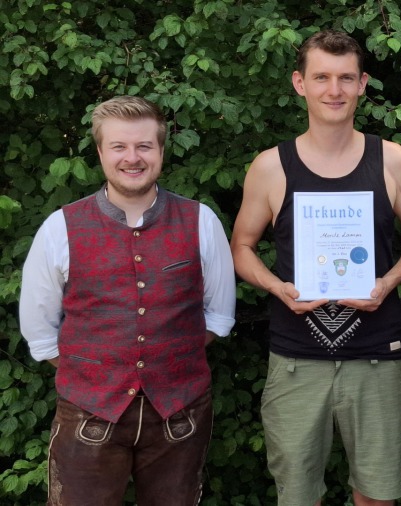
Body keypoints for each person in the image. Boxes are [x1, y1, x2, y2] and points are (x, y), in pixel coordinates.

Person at [230, 30, 401, 506]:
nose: (334, 90)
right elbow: (241, 246)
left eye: (345, 78)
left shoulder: (393, 160)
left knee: (377, 495)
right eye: (321, 77)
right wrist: (277, 287)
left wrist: (388, 281)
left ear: (363, 84)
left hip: (377, 356)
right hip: (296, 359)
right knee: (298, 496)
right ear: (299, 83)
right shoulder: (270, 167)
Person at [19, 95, 236, 505]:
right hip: (87, 413)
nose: (132, 158)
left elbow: (218, 317)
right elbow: (40, 333)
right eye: (119, 146)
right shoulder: (60, 228)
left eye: (144, 146)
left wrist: (164, 363)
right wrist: (95, 371)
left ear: (161, 151)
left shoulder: (201, 221)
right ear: (101, 152)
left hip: (180, 414)